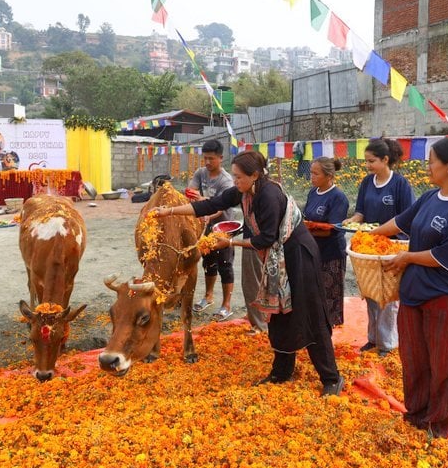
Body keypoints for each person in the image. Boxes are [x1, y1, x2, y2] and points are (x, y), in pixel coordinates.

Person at [155, 151, 343, 396]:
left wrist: (228, 243)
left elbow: (265, 239)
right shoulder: (245, 191)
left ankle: (331, 377)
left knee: (309, 314)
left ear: (255, 175)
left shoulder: (268, 195)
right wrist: (169, 212)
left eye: (239, 177)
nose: (235, 181)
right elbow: (212, 204)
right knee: (278, 313)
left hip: (298, 257)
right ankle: (282, 371)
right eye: (233, 177)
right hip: (278, 257)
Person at [372, 137, 448, 439]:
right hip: (414, 294)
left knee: (444, 363)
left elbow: (444, 257)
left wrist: (407, 256)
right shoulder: (431, 197)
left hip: (446, 297)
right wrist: (365, 236)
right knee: (415, 359)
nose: (427, 165)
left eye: (431, 160)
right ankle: (417, 413)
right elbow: (400, 222)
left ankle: (439, 423)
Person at [346, 137, 415, 355]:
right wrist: (352, 221)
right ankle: (373, 339)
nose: (367, 166)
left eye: (371, 161)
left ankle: (387, 343)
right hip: (368, 245)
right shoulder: (367, 182)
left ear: (385, 160)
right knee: (371, 291)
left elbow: (408, 218)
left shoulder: (400, 184)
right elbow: (360, 212)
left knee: (388, 296)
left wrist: (386, 232)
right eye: (366, 161)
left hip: (392, 246)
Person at [186, 140, 237, 322]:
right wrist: (193, 198)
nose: (207, 162)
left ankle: (227, 305)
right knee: (208, 262)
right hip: (206, 226)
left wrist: (204, 204)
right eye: (205, 158)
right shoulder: (201, 173)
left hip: (223, 228)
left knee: (225, 265)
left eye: (211, 158)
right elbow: (191, 190)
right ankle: (208, 296)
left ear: (220, 158)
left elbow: (221, 208)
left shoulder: (226, 181)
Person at [302, 157, 350, 330]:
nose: (311, 177)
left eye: (316, 173)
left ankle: (326, 330)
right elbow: (306, 218)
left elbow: (331, 230)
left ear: (329, 176)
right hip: (312, 250)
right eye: (311, 172)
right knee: (312, 292)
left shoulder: (338, 197)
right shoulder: (313, 192)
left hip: (331, 254)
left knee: (329, 295)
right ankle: (314, 327)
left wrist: (305, 230)